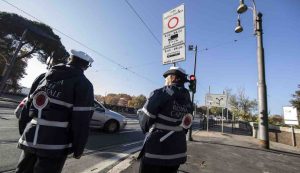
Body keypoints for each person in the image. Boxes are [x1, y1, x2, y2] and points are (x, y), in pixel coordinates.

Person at [16, 49, 94, 173]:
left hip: (30, 137)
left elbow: (26, 108)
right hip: (55, 144)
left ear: (69, 59)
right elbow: (81, 121)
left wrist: (24, 132)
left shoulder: (42, 77)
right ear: (86, 66)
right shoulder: (84, 84)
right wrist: (78, 149)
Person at [138, 66, 193, 173]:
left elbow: (144, 122)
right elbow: (187, 126)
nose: (165, 80)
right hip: (177, 152)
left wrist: (140, 114)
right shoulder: (188, 100)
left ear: (173, 78)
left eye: (166, 77)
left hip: (156, 151)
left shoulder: (160, 93)